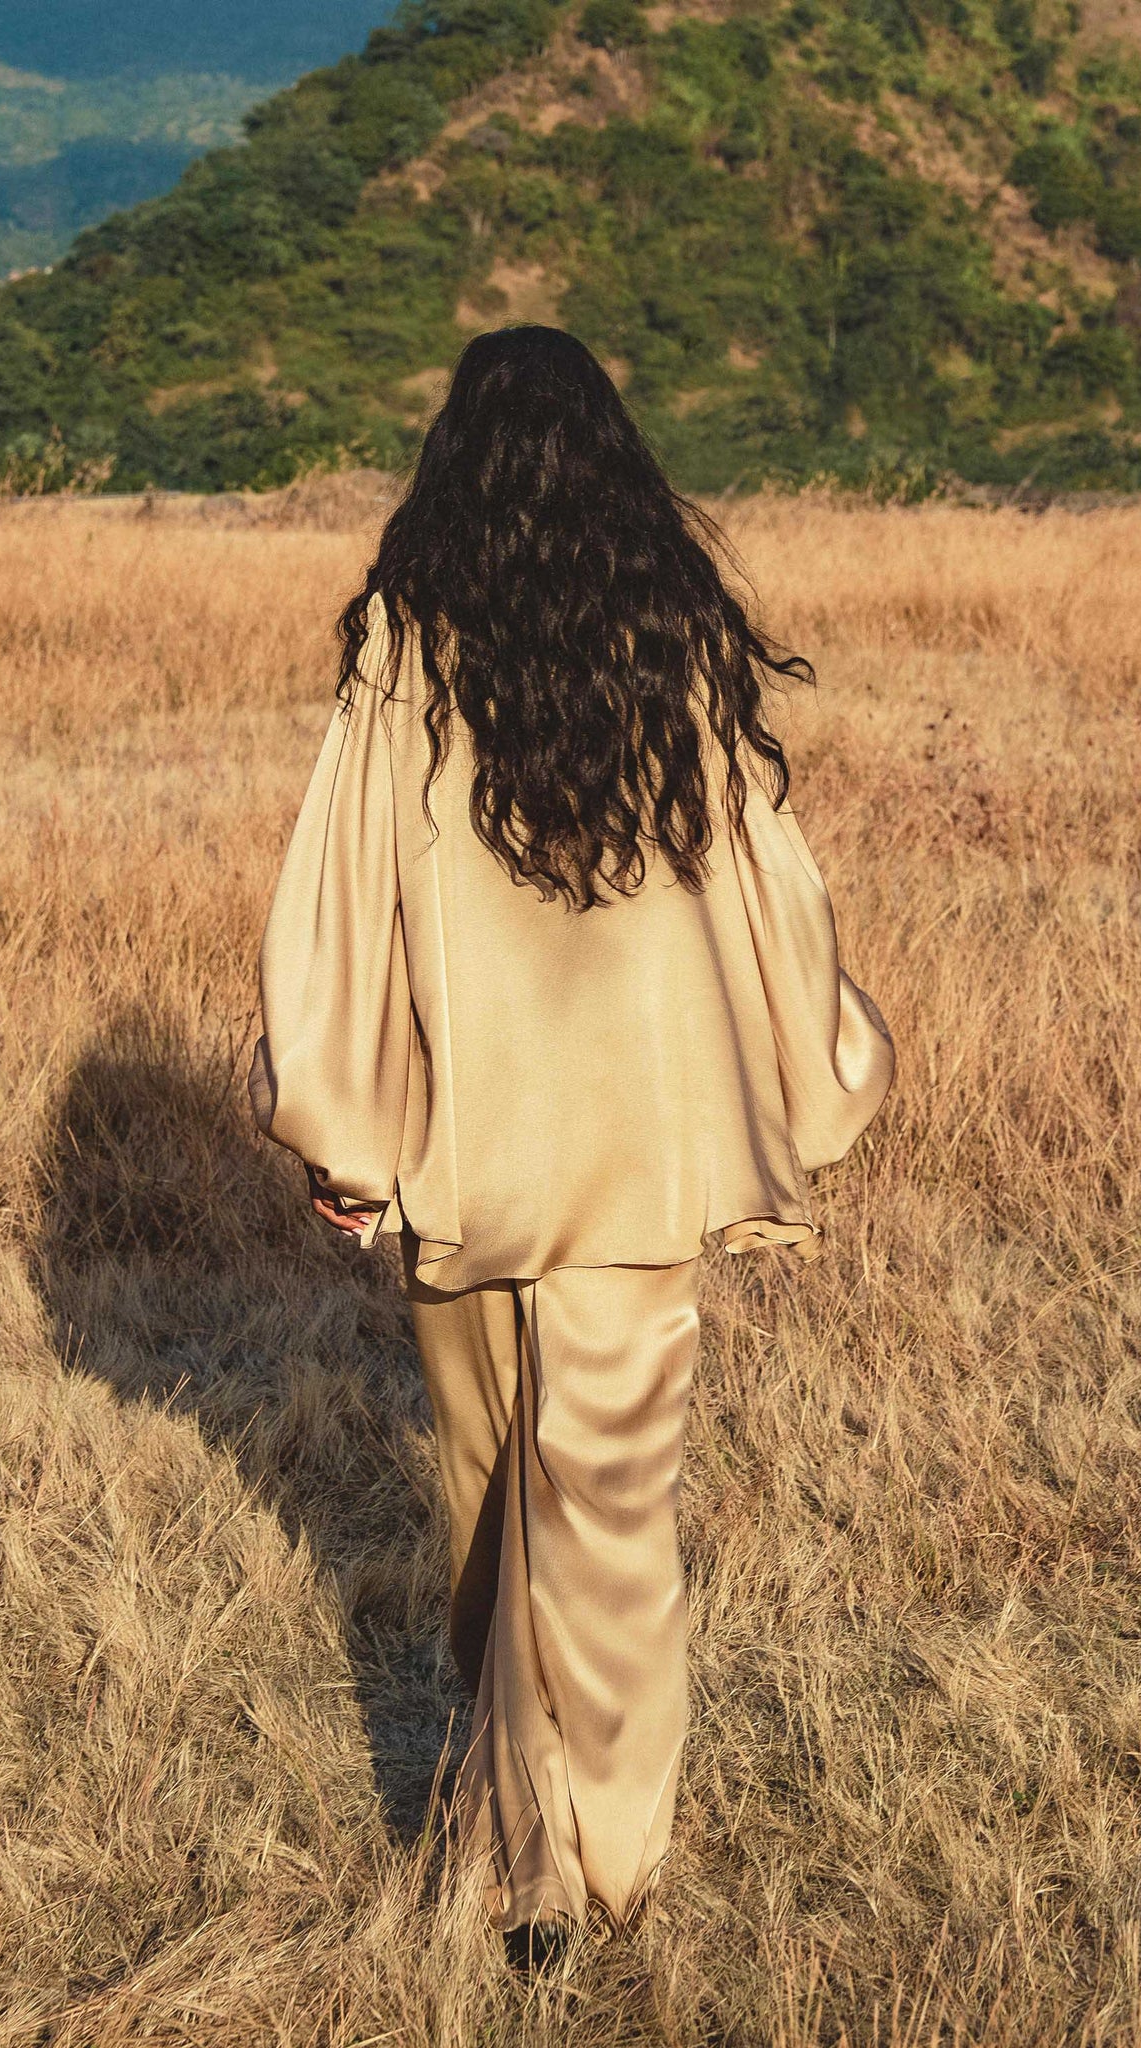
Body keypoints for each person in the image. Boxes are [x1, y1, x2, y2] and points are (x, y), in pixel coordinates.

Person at [249, 325, 893, 1961]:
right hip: (637, 1162)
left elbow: (341, 902)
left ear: (451, 461)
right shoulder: (669, 640)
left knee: (486, 1493)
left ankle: (513, 1857)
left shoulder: (409, 641)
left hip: (470, 1162)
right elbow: (771, 894)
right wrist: (824, 1060)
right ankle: (599, 1860)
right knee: (605, 1507)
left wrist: (340, 1121)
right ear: (613, 460)